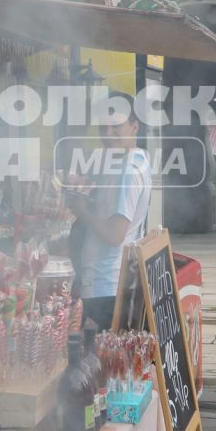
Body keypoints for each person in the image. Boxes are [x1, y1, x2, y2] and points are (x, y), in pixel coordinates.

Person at [70, 92, 151, 331]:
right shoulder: (137, 158)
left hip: (105, 284)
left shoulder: (127, 170)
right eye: (103, 127)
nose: (107, 134)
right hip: (114, 280)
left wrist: (81, 209)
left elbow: (115, 235)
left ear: (134, 126)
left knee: (97, 360)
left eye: (116, 126)